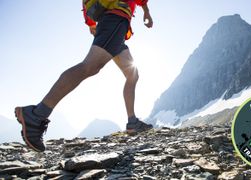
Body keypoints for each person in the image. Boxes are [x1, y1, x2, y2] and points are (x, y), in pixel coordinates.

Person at [14, 0, 154, 152]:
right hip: (115, 19)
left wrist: (145, 10)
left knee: (132, 74)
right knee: (89, 66)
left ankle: (132, 122)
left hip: (116, 25)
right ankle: (36, 115)